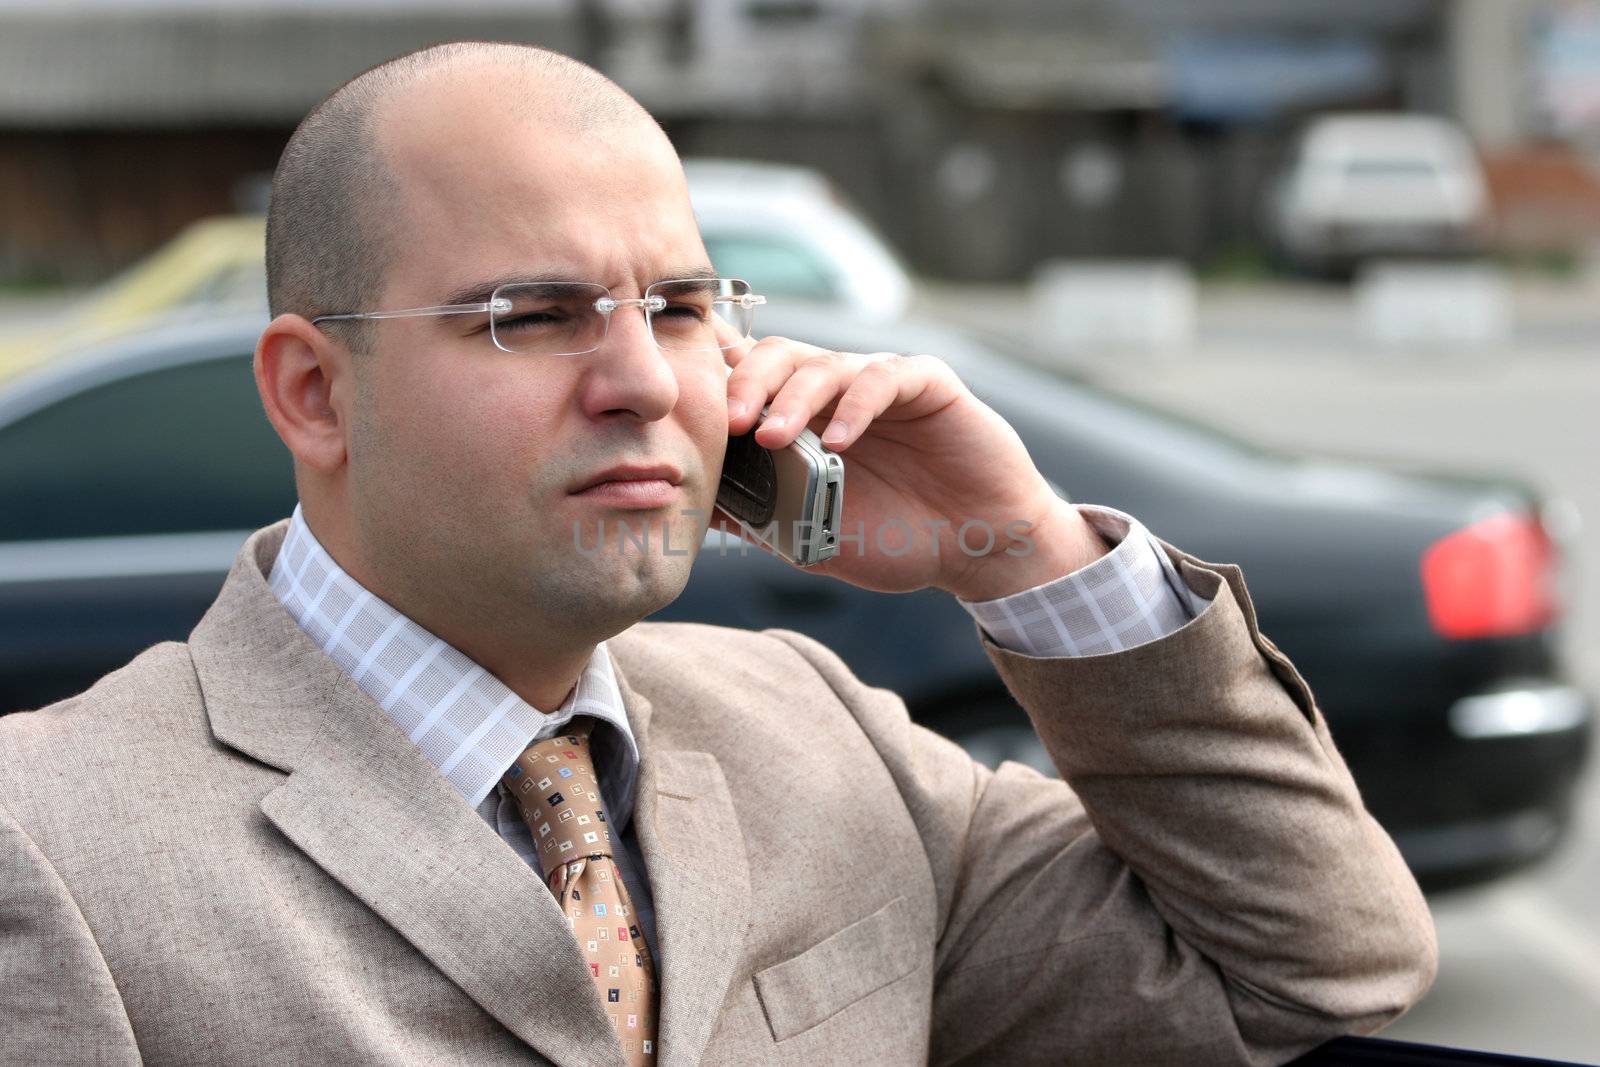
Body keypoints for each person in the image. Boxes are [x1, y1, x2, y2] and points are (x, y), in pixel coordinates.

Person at [0, 42, 1434, 1067]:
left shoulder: (815, 731)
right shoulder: (50, 845)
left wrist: (1021, 551)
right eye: (533, 313)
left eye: (682, 306)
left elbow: (1318, 962)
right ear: (315, 393)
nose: (644, 381)